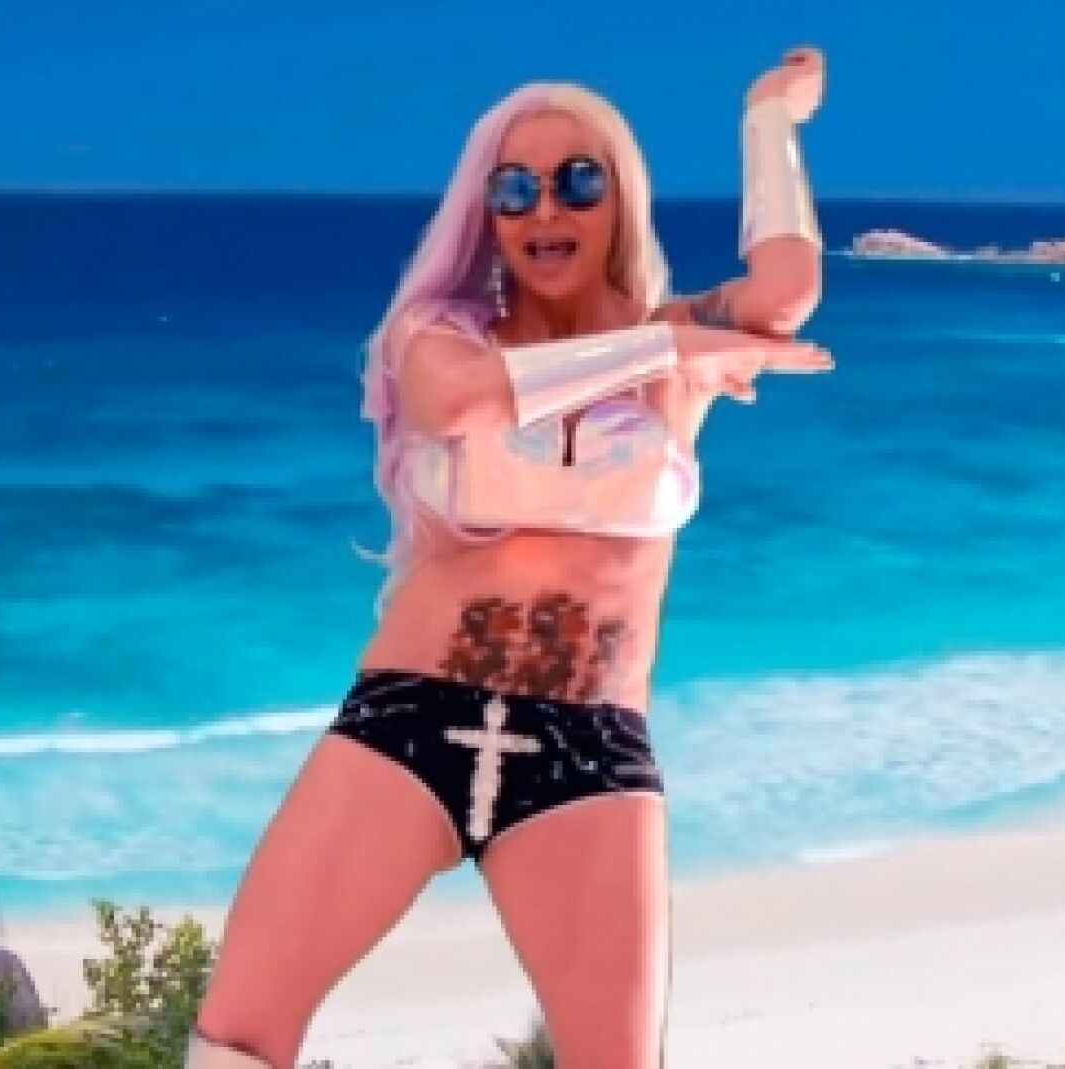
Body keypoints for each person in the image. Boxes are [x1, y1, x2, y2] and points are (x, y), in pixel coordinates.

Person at [190, 46, 832, 1069]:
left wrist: (767, 122)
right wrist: (665, 350)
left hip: (589, 750)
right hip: (409, 724)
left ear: (619, 198)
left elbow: (783, 298)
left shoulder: (679, 343)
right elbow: (455, 403)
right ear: (485, 213)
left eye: (577, 181)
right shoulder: (440, 334)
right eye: (515, 189)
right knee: (237, 1037)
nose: (546, 211)